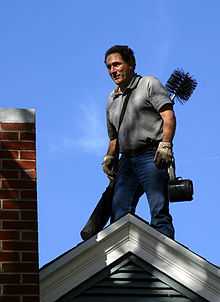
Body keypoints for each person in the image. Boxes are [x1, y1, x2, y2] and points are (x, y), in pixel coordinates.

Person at [102, 45, 176, 239]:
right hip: (126, 161)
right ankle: (122, 257)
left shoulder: (149, 84)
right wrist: (110, 156)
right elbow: (114, 137)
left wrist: (166, 145)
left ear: (131, 65)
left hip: (151, 155)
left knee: (158, 212)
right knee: (118, 214)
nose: (113, 70)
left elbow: (168, 116)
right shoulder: (111, 99)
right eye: (109, 66)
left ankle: (164, 255)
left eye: (117, 64)